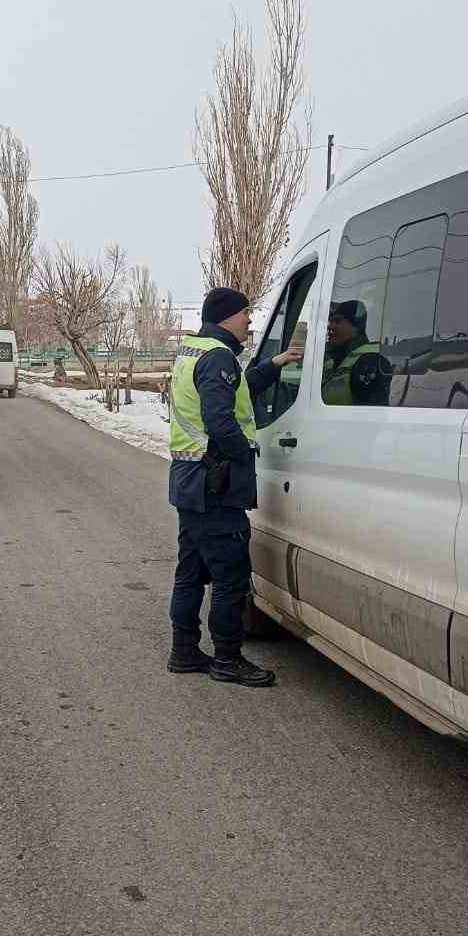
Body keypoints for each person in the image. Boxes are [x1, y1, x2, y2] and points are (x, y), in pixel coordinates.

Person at [167, 286, 303, 687]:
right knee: (230, 576)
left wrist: (275, 363)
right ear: (228, 315)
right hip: (215, 483)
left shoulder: (195, 350)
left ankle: (184, 651)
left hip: (190, 480)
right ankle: (228, 658)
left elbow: (236, 388)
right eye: (246, 313)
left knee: (191, 571)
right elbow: (221, 419)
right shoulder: (219, 356)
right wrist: (245, 455)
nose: (250, 320)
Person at [321, 300, 390, 406]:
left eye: (337, 321)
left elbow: (372, 413)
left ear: (356, 327)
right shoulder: (333, 360)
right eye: (330, 321)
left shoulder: (369, 362)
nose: (330, 326)